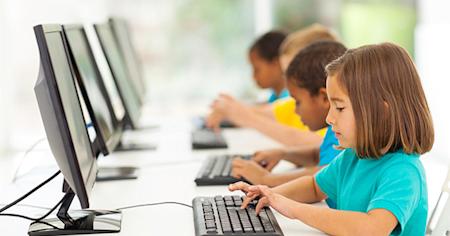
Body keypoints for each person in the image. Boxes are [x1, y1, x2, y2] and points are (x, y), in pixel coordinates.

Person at [229, 42, 434, 235]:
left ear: (381, 111)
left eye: (340, 107)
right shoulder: (354, 156)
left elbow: (372, 228)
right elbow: (314, 187)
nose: (329, 118)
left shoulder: (403, 172)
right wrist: (269, 196)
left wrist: (294, 209)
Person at [231, 41, 346, 188]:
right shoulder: (334, 130)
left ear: (324, 98)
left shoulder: (343, 130)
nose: (295, 110)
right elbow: (319, 155)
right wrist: (284, 154)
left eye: (298, 102)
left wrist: (266, 179)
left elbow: (325, 174)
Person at [207, 24, 337, 146]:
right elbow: (268, 112)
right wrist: (232, 109)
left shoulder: (336, 119)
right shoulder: (293, 103)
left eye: (293, 73)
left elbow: (316, 144)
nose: (287, 81)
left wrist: (243, 115)